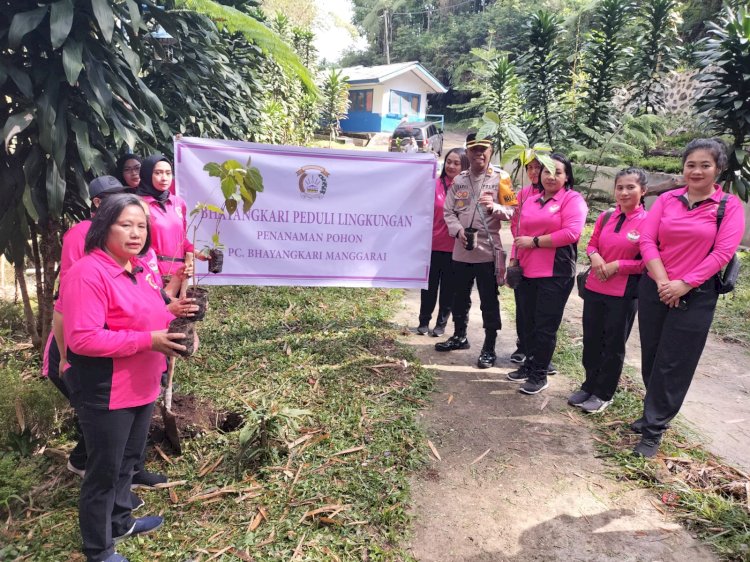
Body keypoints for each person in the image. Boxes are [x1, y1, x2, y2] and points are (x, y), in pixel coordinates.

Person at [61, 194, 188, 562]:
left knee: (128, 462)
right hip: (108, 389)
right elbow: (82, 338)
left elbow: (143, 311)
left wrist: (169, 310)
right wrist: (150, 339)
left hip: (142, 384)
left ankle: (120, 522)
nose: (136, 233)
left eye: (141, 226)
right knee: (104, 470)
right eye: (126, 225)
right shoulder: (88, 273)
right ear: (104, 227)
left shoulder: (136, 268)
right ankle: (99, 549)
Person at [633, 138, 745, 458]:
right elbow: (647, 240)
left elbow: (723, 252)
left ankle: (654, 430)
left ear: (718, 169)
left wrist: (685, 283)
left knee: (674, 363)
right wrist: (664, 281)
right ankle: (648, 414)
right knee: (652, 356)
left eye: (705, 165)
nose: (696, 171)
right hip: (656, 286)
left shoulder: (728, 207)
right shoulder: (668, 199)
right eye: (691, 164)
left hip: (696, 295)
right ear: (683, 167)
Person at [568, 168, 649, 413]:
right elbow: (592, 244)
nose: (624, 192)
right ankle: (589, 384)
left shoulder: (648, 222)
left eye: (630, 187)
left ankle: (604, 393)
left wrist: (618, 265)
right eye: (620, 187)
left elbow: (648, 261)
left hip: (622, 294)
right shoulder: (606, 217)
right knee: (592, 340)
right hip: (594, 288)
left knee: (613, 345)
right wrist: (594, 257)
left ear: (643, 191)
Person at [508, 153, 588, 394]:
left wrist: (534, 242)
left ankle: (540, 374)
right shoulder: (531, 200)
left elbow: (571, 233)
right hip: (526, 272)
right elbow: (517, 234)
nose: (551, 176)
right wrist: (514, 260)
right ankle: (529, 365)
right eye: (546, 171)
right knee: (528, 322)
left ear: (567, 177)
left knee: (545, 326)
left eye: (557, 172)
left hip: (555, 273)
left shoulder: (572, 200)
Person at [435, 133, 516, 369]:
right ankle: (460, 336)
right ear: (467, 153)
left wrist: (495, 207)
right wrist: (458, 231)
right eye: (474, 150)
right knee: (459, 296)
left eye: (483, 149)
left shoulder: (501, 178)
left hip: (488, 251)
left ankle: (489, 346)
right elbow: (448, 211)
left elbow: (513, 210)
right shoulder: (460, 180)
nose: (479, 154)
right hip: (461, 249)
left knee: (489, 301)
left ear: (490, 152)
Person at [417, 148, 470, 337]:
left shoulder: (468, 188)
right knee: (429, 286)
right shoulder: (433, 184)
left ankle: (441, 324)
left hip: (455, 247)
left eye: (457, 163)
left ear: (464, 166)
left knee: (449, 288)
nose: (451, 166)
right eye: (449, 162)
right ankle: (423, 321)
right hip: (431, 245)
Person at [136, 155, 204, 279]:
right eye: (158, 173)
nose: (164, 178)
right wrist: (153, 270)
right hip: (151, 273)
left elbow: (181, 240)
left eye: (168, 173)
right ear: (146, 174)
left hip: (180, 273)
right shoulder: (137, 204)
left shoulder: (178, 203)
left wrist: (198, 253)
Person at [508, 158, 543, 364]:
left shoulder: (556, 195)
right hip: (523, 256)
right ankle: (523, 346)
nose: (533, 172)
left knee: (543, 311)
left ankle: (540, 354)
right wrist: (514, 255)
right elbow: (515, 226)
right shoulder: (523, 194)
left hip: (544, 258)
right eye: (529, 168)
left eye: (537, 167)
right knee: (522, 307)